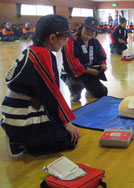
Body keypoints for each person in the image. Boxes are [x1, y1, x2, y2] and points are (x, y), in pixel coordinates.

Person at [1, 14, 80, 157]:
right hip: (21, 113)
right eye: (64, 39)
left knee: (58, 127)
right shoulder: (42, 55)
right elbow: (51, 93)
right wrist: (66, 122)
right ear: (52, 38)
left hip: (17, 107)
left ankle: (19, 133)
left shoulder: (34, 50)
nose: (65, 43)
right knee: (67, 139)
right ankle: (19, 139)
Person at [61, 17, 108, 101]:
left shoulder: (95, 41)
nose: (89, 32)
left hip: (89, 73)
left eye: (92, 30)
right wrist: (90, 71)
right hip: (72, 73)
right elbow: (73, 63)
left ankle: (88, 87)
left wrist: (102, 64)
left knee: (102, 93)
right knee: (76, 96)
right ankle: (73, 90)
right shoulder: (71, 40)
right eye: (87, 28)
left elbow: (102, 56)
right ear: (82, 27)